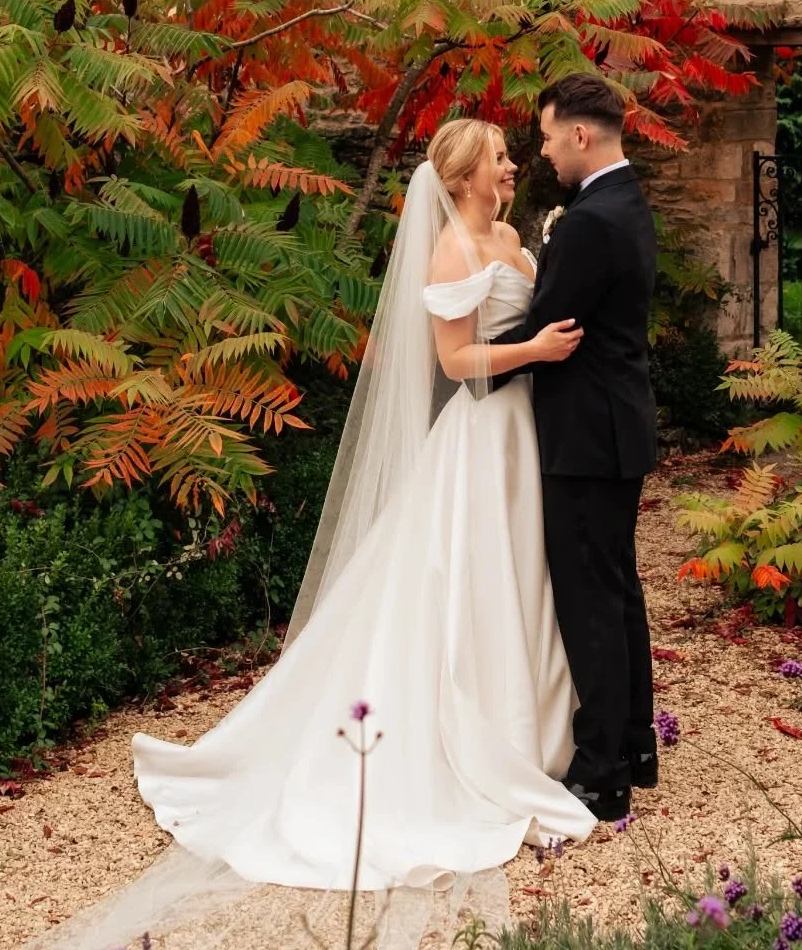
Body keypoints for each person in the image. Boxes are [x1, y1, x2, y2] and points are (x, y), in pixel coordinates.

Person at [34, 119, 595, 950]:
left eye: (513, 158)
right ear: (467, 175)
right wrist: (535, 352)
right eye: (501, 160)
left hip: (525, 438)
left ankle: (539, 727)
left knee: (519, 578)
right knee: (469, 582)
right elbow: (453, 364)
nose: (513, 167)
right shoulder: (450, 252)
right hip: (483, 437)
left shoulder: (511, 235)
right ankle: (481, 738)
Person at [491, 73, 659, 824]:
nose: (545, 151)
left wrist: (457, 366)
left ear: (582, 135)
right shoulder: (622, 200)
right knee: (617, 595)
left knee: (591, 604)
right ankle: (634, 746)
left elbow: (548, 327)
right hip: (612, 427)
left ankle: (601, 774)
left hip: (586, 437)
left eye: (551, 135)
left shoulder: (591, 219)